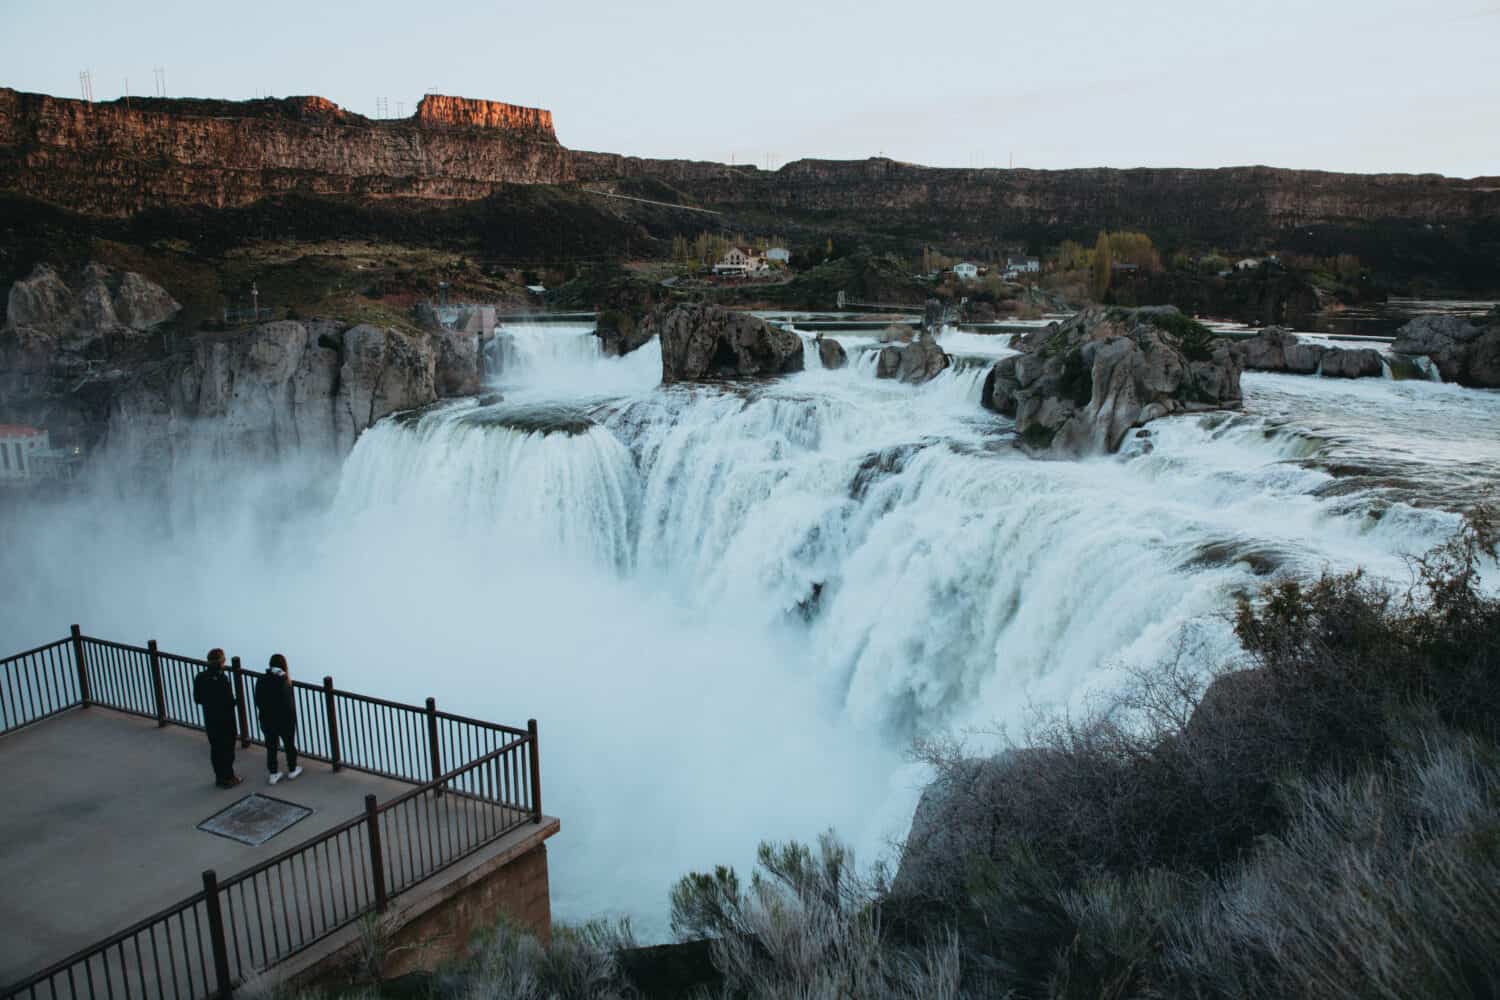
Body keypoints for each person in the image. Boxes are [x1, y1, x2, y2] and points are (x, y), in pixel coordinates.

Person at [193, 648, 241, 788]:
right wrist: (235, 701)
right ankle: (229, 777)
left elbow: (197, 699)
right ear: (221, 662)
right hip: (226, 720)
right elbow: (229, 700)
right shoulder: (222, 678)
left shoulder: (200, 677)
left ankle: (220, 777)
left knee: (216, 749)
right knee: (227, 748)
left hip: (210, 718)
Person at [255, 653, 302, 785]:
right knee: (289, 745)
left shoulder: (262, 679)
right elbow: (287, 703)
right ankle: (292, 769)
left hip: (267, 719)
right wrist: (292, 718)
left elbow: (258, 700)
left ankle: (273, 773)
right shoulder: (283, 680)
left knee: (271, 746)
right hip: (284, 720)